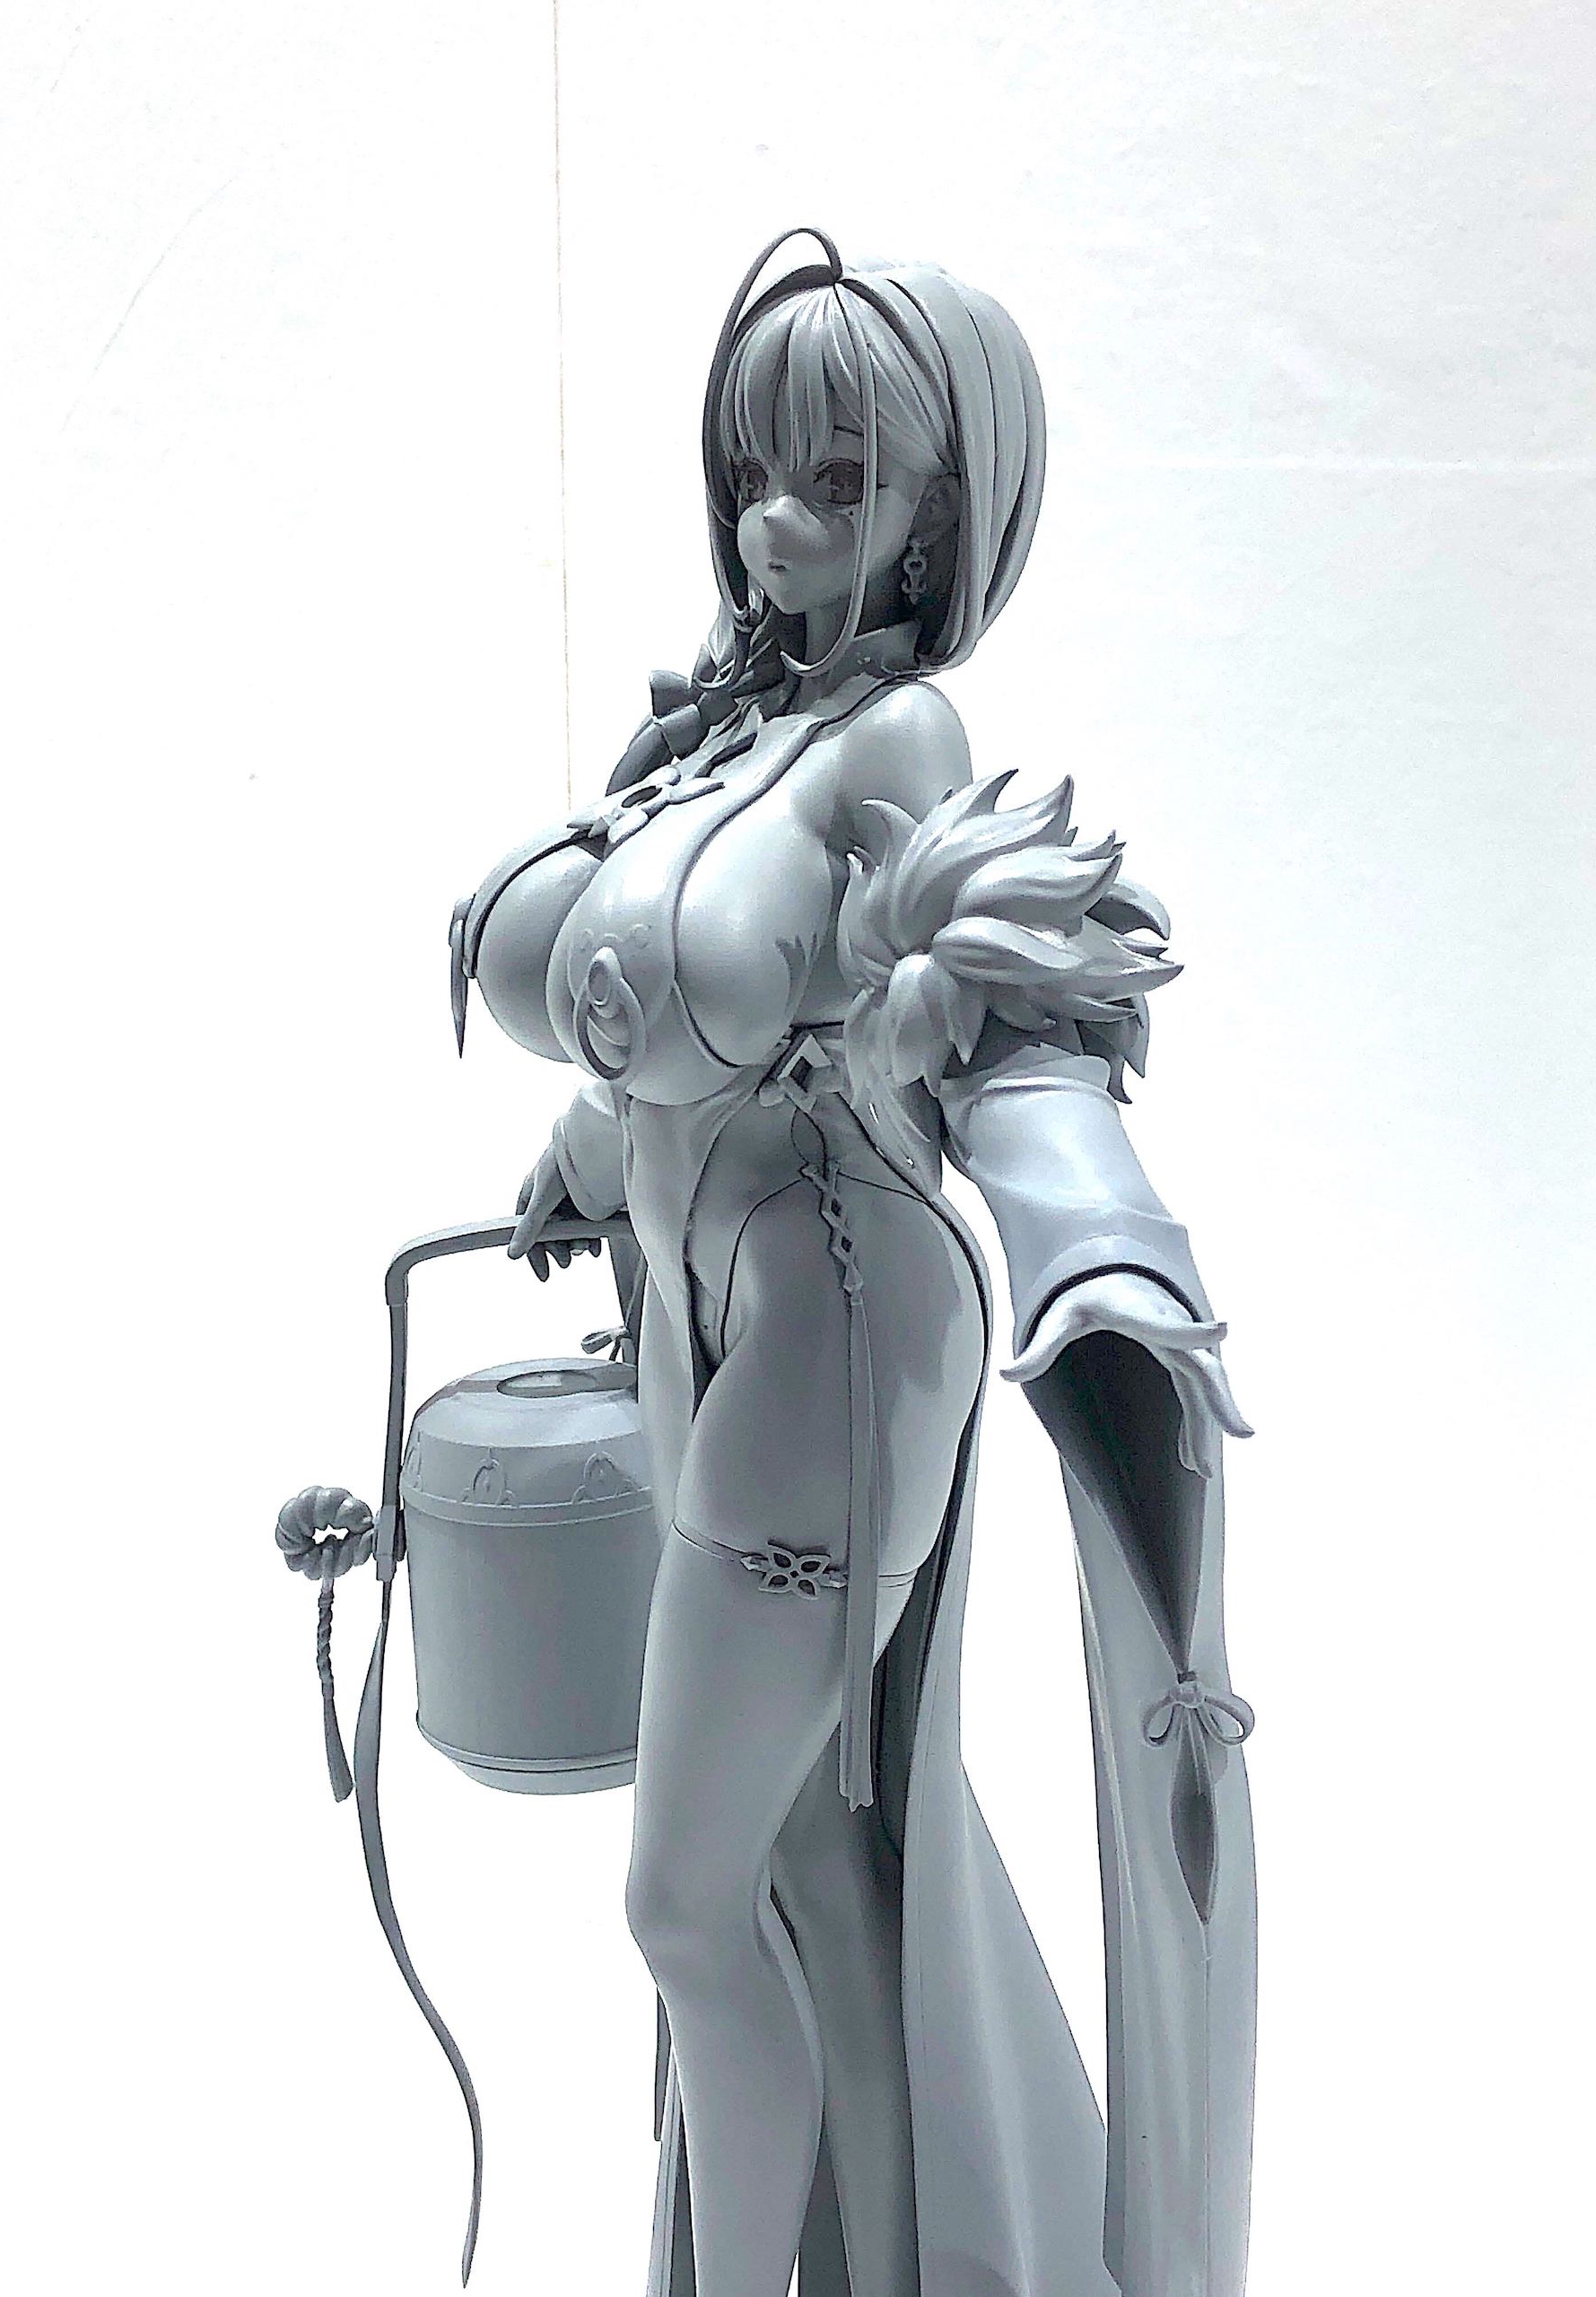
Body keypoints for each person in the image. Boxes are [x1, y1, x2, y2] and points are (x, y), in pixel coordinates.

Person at [454, 226, 1258, 2297]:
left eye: (840, 477)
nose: (778, 518)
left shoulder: (896, 740)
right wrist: (591, 1138)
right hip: (699, 1302)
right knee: (816, 1870)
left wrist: (1098, 1247)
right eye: (757, 468)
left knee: (690, 1899)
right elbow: (678, 1012)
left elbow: (992, 1016)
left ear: (936, 510)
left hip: (836, 1308)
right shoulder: (718, 732)